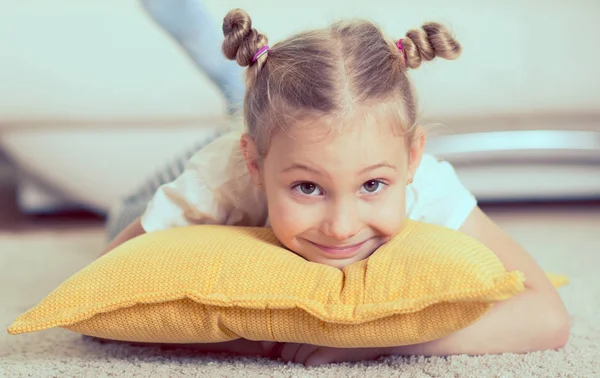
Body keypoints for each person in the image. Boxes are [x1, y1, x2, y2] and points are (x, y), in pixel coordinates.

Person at [102, 8, 569, 366]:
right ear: (255, 165)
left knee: (261, 110)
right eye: (307, 188)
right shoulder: (216, 181)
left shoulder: (426, 185)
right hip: (197, 167)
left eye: (372, 184)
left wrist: (377, 344)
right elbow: (102, 291)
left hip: (270, 140)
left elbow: (546, 317)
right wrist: (263, 339)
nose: (342, 228)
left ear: (411, 159)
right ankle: (220, 65)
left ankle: (237, 86)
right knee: (128, 208)